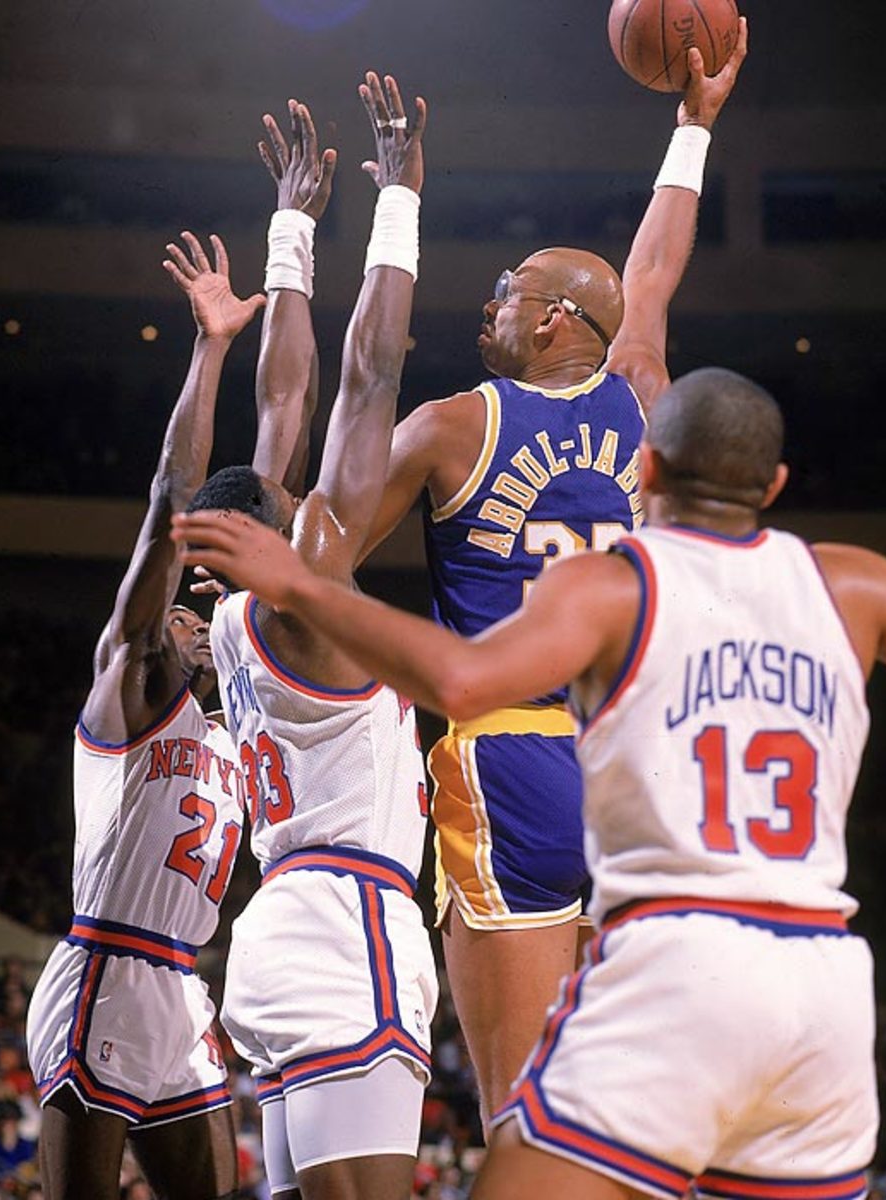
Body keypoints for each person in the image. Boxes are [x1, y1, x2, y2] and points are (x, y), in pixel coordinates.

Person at [172, 364, 886, 1200]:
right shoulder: (854, 584)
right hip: (824, 984)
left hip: (674, 952)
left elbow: (465, 683)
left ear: (645, 468)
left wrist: (299, 586)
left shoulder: (615, 584)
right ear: (772, 483)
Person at [353, 25, 746, 1129]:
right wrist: (693, 128)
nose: (497, 302)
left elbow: (322, 546)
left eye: (513, 290)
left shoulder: (450, 426)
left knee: (523, 1116)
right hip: (625, 761)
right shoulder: (639, 391)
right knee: (622, 1116)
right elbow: (655, 271)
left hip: (505, 758)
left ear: (555, 320)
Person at [192, 75, 437, 1200]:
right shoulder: (309, 582)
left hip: (276, 924)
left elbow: (279, 406)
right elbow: (367, 374)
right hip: (350, 929)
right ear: (283, 530)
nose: (318, 506)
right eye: (298, 510)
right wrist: (397, 202)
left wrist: (291, 226)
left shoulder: (238, 608)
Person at [24, 228, 270, 1200]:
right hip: (104, 974)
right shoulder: (132, 679)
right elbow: (170, 502)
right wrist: (211, 352)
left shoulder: (236, 728)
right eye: (195, 594)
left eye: (217, 599)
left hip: (178, 985)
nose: (203, 610)